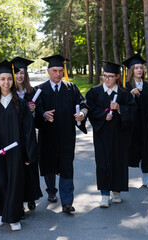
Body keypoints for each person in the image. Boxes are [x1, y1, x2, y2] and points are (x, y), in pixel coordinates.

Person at [0, 60, 38, 231]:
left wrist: (28, 155)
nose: (6, 82)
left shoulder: (21, 105)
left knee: (15, 184)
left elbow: (28, 132)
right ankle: (0, 210)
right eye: (3, 79)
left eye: (9, 79)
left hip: (16, 154)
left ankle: (13, 217)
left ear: (13, 81)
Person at [36, 54, 87, 214]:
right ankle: (51, 191)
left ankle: (67, 202)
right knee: (48, 164)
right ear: (48, 71)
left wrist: (82, 115)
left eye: (60, 70)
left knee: (66, 167)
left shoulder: (71, 88)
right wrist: (43, 114)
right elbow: (35, 111)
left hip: (66, 136)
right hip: (47, 135)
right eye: (54, 70)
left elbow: (83, 104)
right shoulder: (40, 90)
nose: (58, 74)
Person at [86, 61, 136, 208]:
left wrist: (120, 108)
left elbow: (133, 111)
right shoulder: (94, 92)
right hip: (101, 133)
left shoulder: (124, 94)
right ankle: (104, 194)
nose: (107, 79)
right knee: (102, 162)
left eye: (110, 76)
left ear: (117, 77)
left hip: (120, 135)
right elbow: (90, 108)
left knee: (118, 161)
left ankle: (116, 191)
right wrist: (103, 115)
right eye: (105, 76)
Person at [123, 54, 148, 189]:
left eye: (141, 68)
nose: (139, 70)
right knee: (128, 149)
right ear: (131, 71)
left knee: (147, 151)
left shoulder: (147, 86)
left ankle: (147, 179)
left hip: (145, 124)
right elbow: (121, 103)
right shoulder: (126, 86)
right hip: (130, 124)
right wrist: (131, 94)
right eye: (136, 68)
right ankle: (122, 179)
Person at [10, 57, 43, 211]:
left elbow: (40, 118)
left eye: (22, 73)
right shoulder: (9, 93)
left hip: (29, 136)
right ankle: (19, 199)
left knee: (30, 167)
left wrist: (34, 112)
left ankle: (30, 198)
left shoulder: (33, 92)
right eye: (16, 73)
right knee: (18, 169)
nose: (20, 76)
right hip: (14, 136)